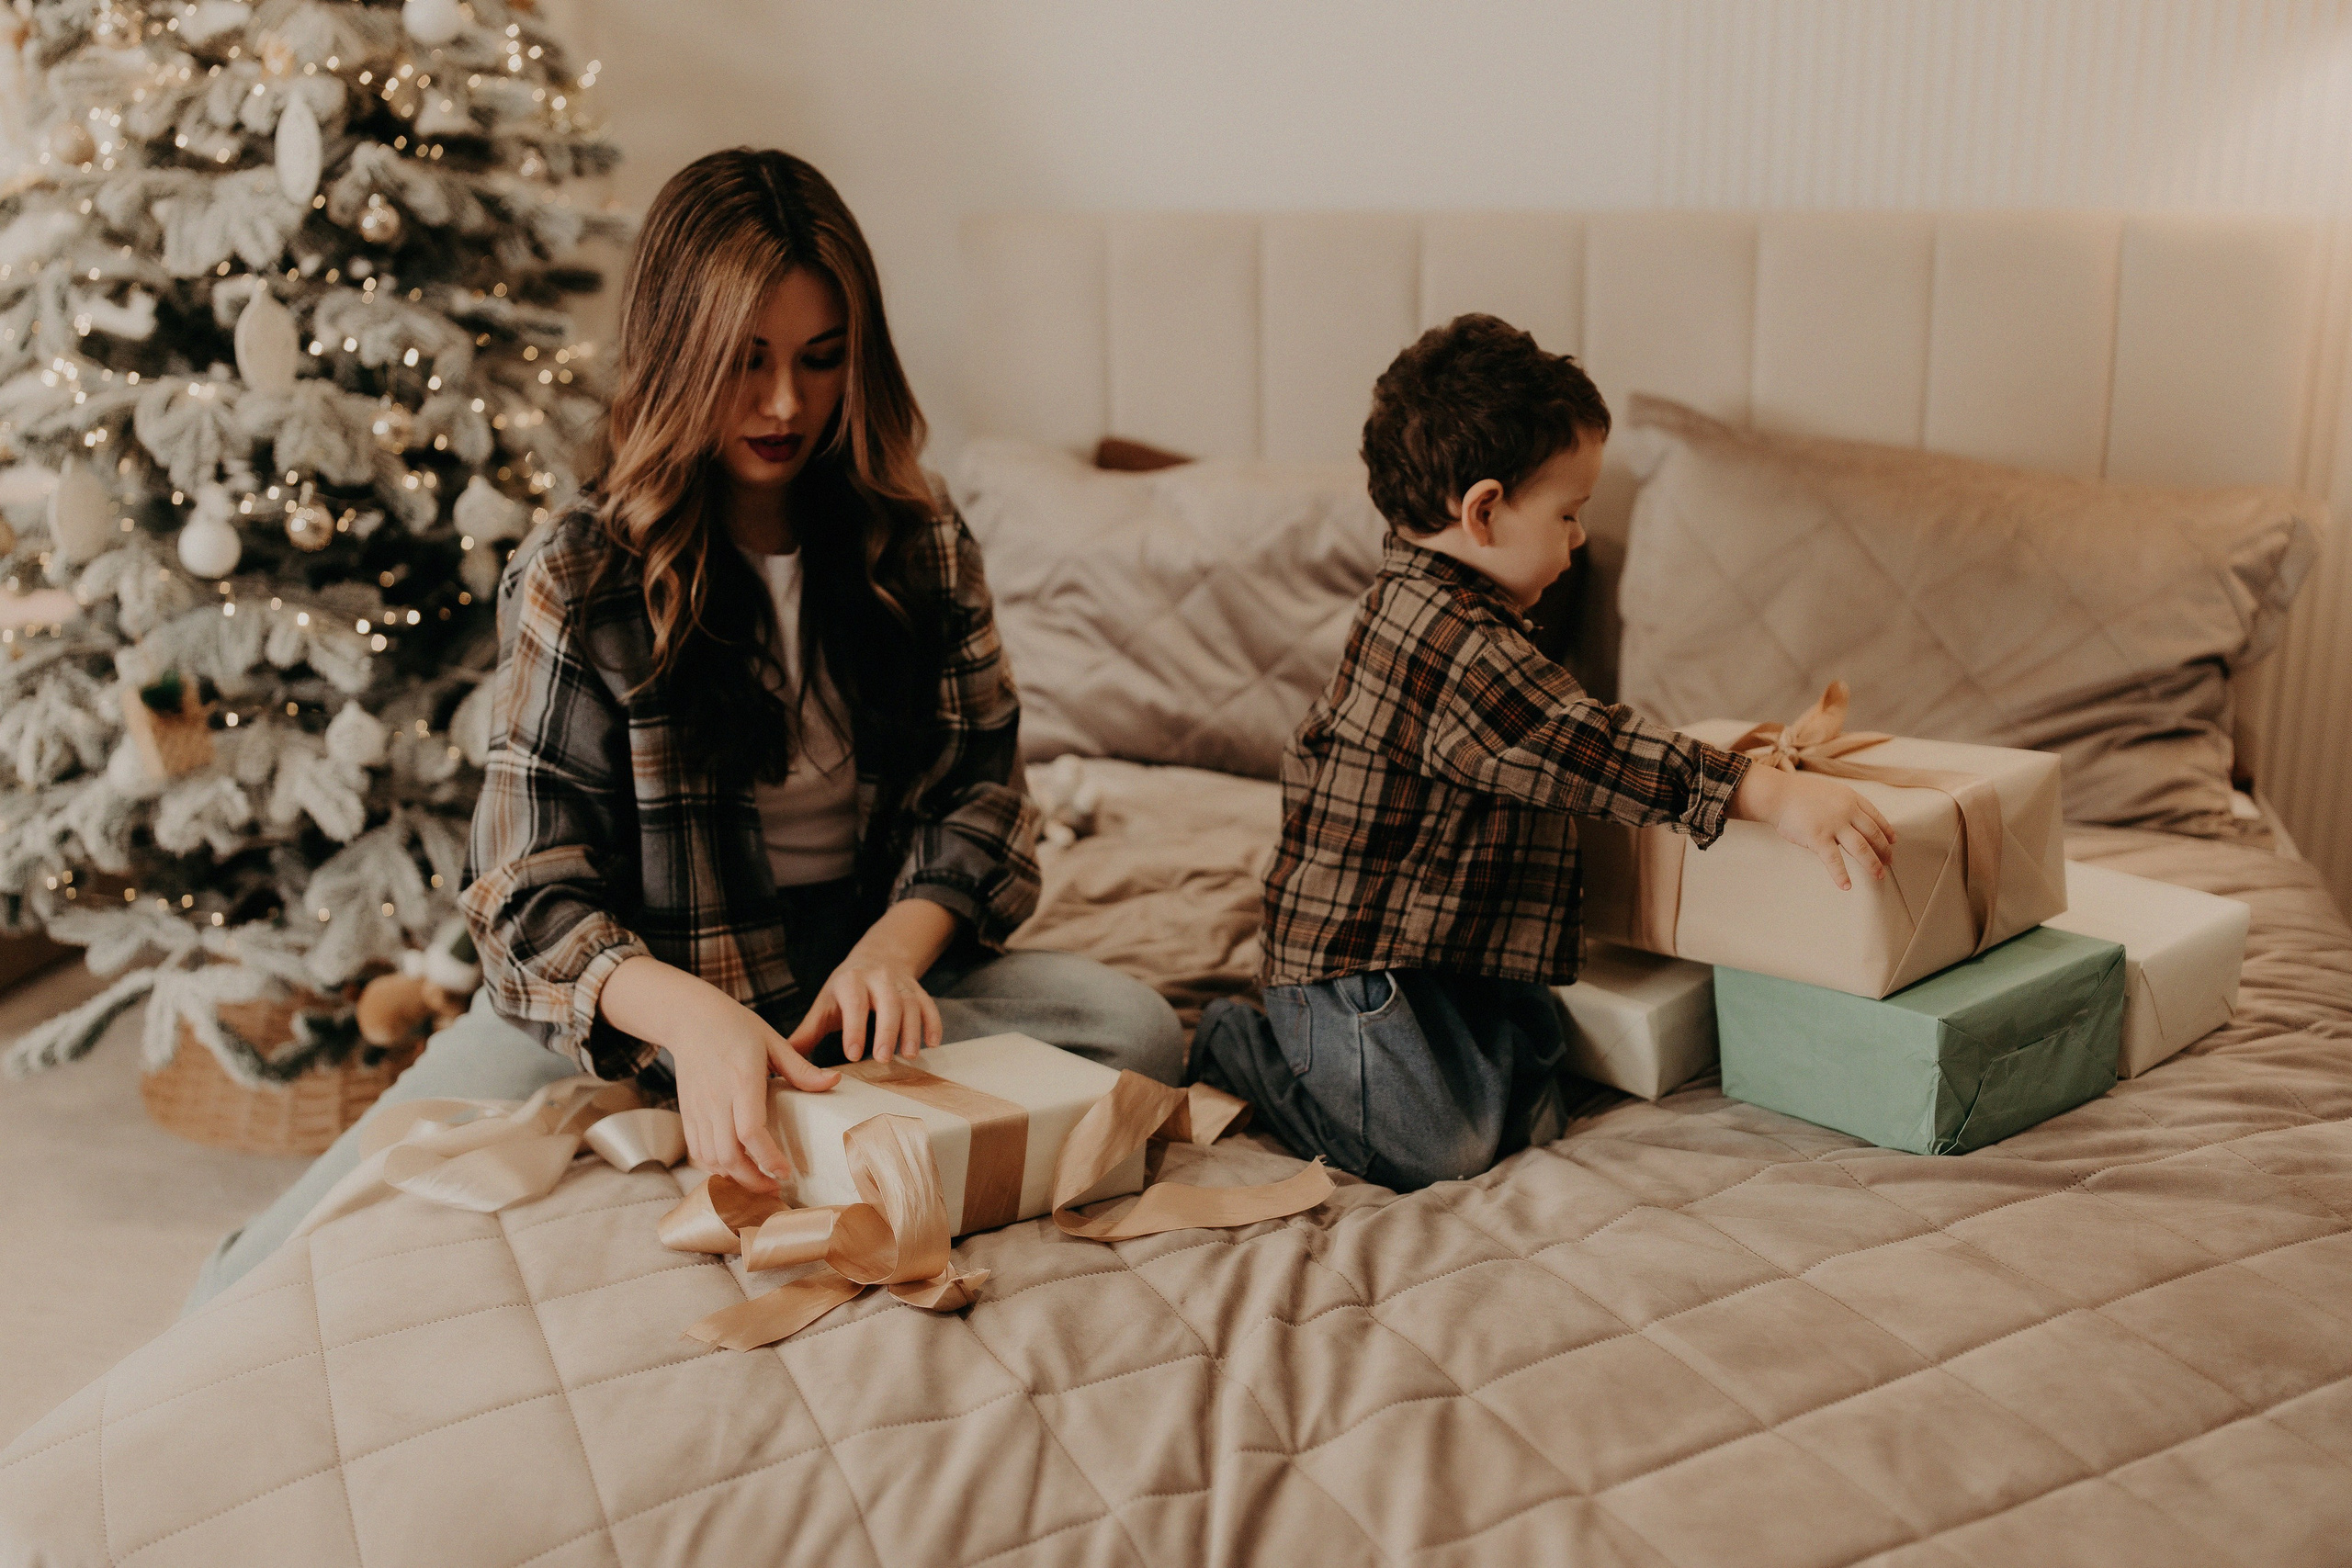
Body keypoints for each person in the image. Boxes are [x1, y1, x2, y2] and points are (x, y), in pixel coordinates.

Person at [185, 149, 1182, 1311]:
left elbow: (981, 794)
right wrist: (694, 1023)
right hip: (650, 982)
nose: (783, 406)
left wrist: (894, 950)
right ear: (675, 356)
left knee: (1134, 1033)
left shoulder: (922, 535)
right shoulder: (578, 569)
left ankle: (788, 1088)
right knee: (320, 1222)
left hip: (849, 988)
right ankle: (707, 1094)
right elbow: (520, 891)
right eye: (742, 363)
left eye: (820, 361)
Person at [1187, 314, 1894, 1193]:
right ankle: (1239, 1041)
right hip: (1353, 965)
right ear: (1483, 511)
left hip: (1446, 944)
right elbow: (1585, 744)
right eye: (1569, 513)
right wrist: (1761, 793)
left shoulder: (1447, 600)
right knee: (1433, 1153)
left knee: (1537, 1094)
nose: (1579, 537)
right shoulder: (1448, 642)